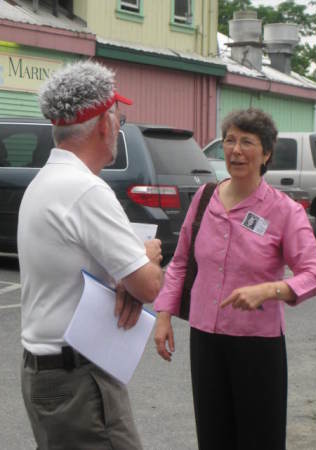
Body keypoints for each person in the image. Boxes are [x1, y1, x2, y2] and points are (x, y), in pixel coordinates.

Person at [154, 108, 316, 450]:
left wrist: (271, 290)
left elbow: (314, 274)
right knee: (214, 435)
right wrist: (163, 316)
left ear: (266, 154)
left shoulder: (284, 211)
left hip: (257, 345)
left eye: (247, 142)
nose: (235, 150)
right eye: (230, 140)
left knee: (259, 437)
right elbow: (180, 261)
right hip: (206, 338)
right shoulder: (205, 199)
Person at [18, 60, 163, 450]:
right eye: (119, 114)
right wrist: (147, 254)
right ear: (104, 123)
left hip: (47, 373)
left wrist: (124, 279)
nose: (120, 123)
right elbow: (148, 284)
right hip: (79, 380)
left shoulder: (45, 182)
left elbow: (86, 265)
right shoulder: (86, 191)